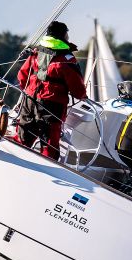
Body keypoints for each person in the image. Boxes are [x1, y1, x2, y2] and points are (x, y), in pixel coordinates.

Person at [16, 21, 87, 160]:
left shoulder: (37, 52)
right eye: (67, 33)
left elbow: (22, 75)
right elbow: (77, 89)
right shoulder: (67, 59)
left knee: (22, 139)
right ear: (62, 36)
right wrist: (83, 96)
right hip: (51, 105)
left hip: (29, 100)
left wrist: (29, 90)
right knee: (49, 145)